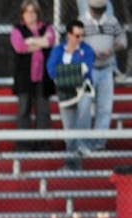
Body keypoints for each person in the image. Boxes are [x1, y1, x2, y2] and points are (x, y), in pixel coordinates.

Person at [48, 20, 96, 170]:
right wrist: (73, 69)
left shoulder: (87, 49)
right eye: (76, 35)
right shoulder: (58, 50)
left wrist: (65, 70)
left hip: (82, 89)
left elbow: (86, 69)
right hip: (65, 92)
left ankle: (83, 144)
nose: (79, 39)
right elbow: (51, 70)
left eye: (82, 36)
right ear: (69, 35)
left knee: (85, 107)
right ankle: (73, 165)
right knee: (69, 131)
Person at [10, 1, 56, 149]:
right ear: (22, 14)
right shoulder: (17, 30)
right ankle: (23, 145)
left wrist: (31, 41)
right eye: (27, 11)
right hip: (24, 78)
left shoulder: (47, 27)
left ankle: (43, 145)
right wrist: (39, 43)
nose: (30, 14)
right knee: (24, 111)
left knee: (43, 112)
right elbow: (20, 47)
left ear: (38, 13)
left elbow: (50, 41)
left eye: (33, 11)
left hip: (44, 78)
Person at [82, 0, 127, 149]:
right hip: (88, 70)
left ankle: (99, 143)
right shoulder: (82, 21)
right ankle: (85, 141)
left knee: (105, 108)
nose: (97, 12)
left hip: (106, 69)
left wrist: (111, 49)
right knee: (85, 106)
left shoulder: (112, 21)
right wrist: (90, 52)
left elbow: (123, 41)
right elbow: (74, 43)